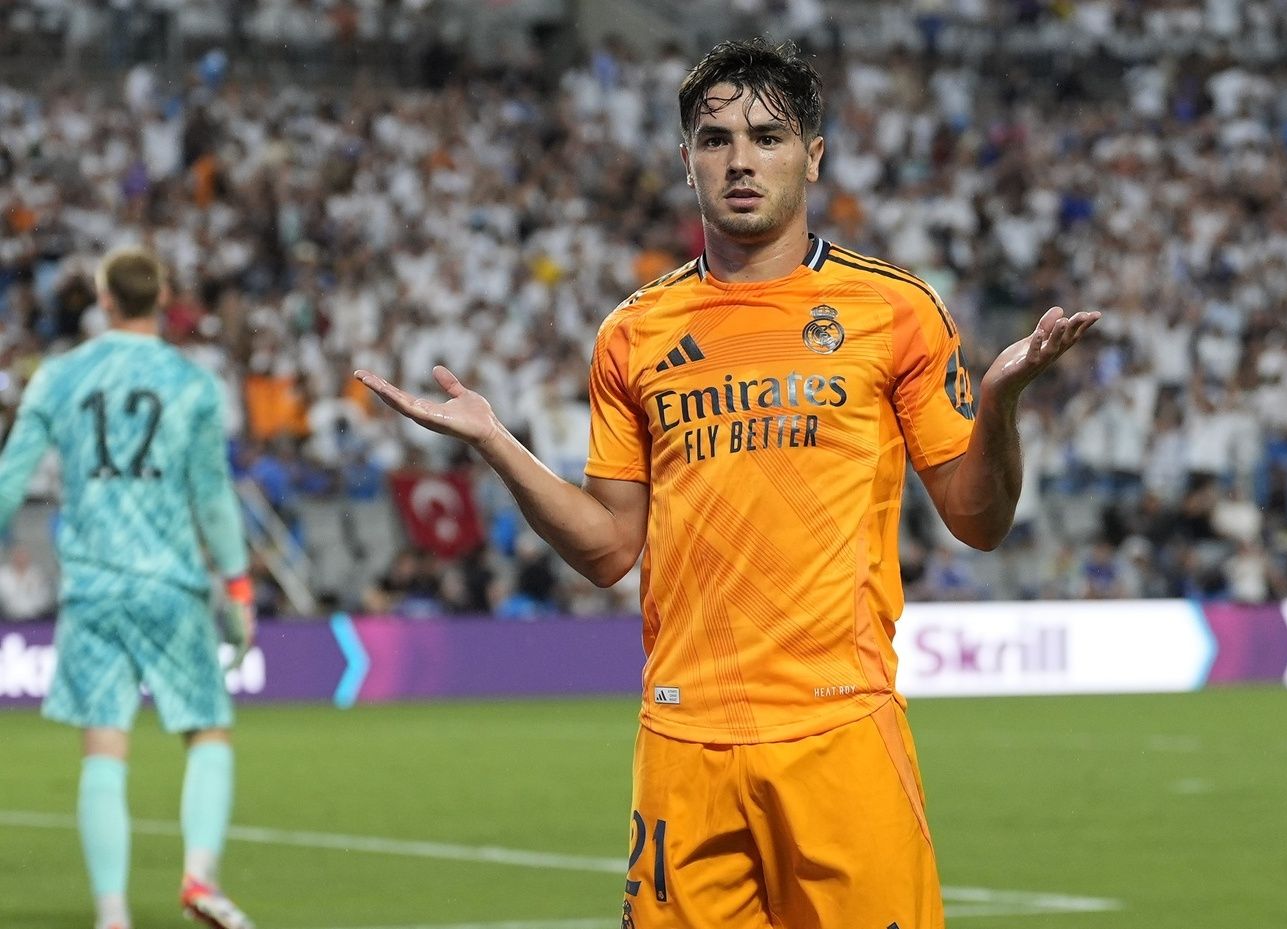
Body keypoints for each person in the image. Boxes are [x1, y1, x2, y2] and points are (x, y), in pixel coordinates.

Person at [357, 38, 1099, 928]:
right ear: (685, 162)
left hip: (840, 733)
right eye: (715, 140)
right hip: (682, 744)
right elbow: (606, 550)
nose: (740, 159)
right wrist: (495, 441)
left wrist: (1001, 402)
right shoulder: (632, 332)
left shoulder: (896, 310)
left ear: (813, 156)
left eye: (767, 136)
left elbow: (978, 521)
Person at [0, 247, 256, 929]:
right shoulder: (194, 384)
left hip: (92, 587)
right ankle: (200, 879)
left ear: (104, 298)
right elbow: (212, 496)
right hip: (172, 583)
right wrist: (237, 586)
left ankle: (112, 916)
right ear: (163, 295)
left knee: (104, 746)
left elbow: (8, 480)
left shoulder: (58, 377)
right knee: (207, 732)